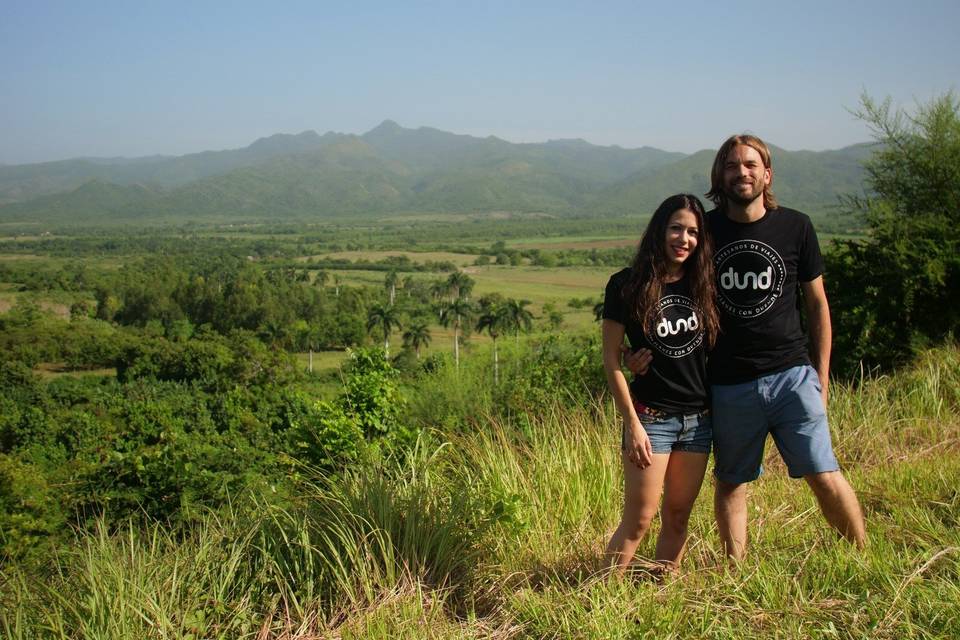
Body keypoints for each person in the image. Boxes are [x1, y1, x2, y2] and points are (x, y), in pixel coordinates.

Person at [704, 134, 866, 560]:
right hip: (730, 381)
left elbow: (818, 306)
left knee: (824, 473)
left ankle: (864, 555)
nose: (742, 172)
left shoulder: (796, 226)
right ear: (720, 176)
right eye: (733, 165)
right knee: (731, 481)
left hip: (792, 375)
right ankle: (735, 574)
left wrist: (821, 377)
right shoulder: (704, 231)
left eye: (751, 165)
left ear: (767, 173)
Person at [602, 193, 720, 574]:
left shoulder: (703, 283)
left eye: (693, 232)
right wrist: (632, 424)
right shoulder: (626, 285)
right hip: (652, 420)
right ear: (659, 230)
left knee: (679, 516)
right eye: (675, 228)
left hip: (699, 421)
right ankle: (602, 600)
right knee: (638, 520)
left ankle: (660, 592)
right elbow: (611, 360)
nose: (683, 239)